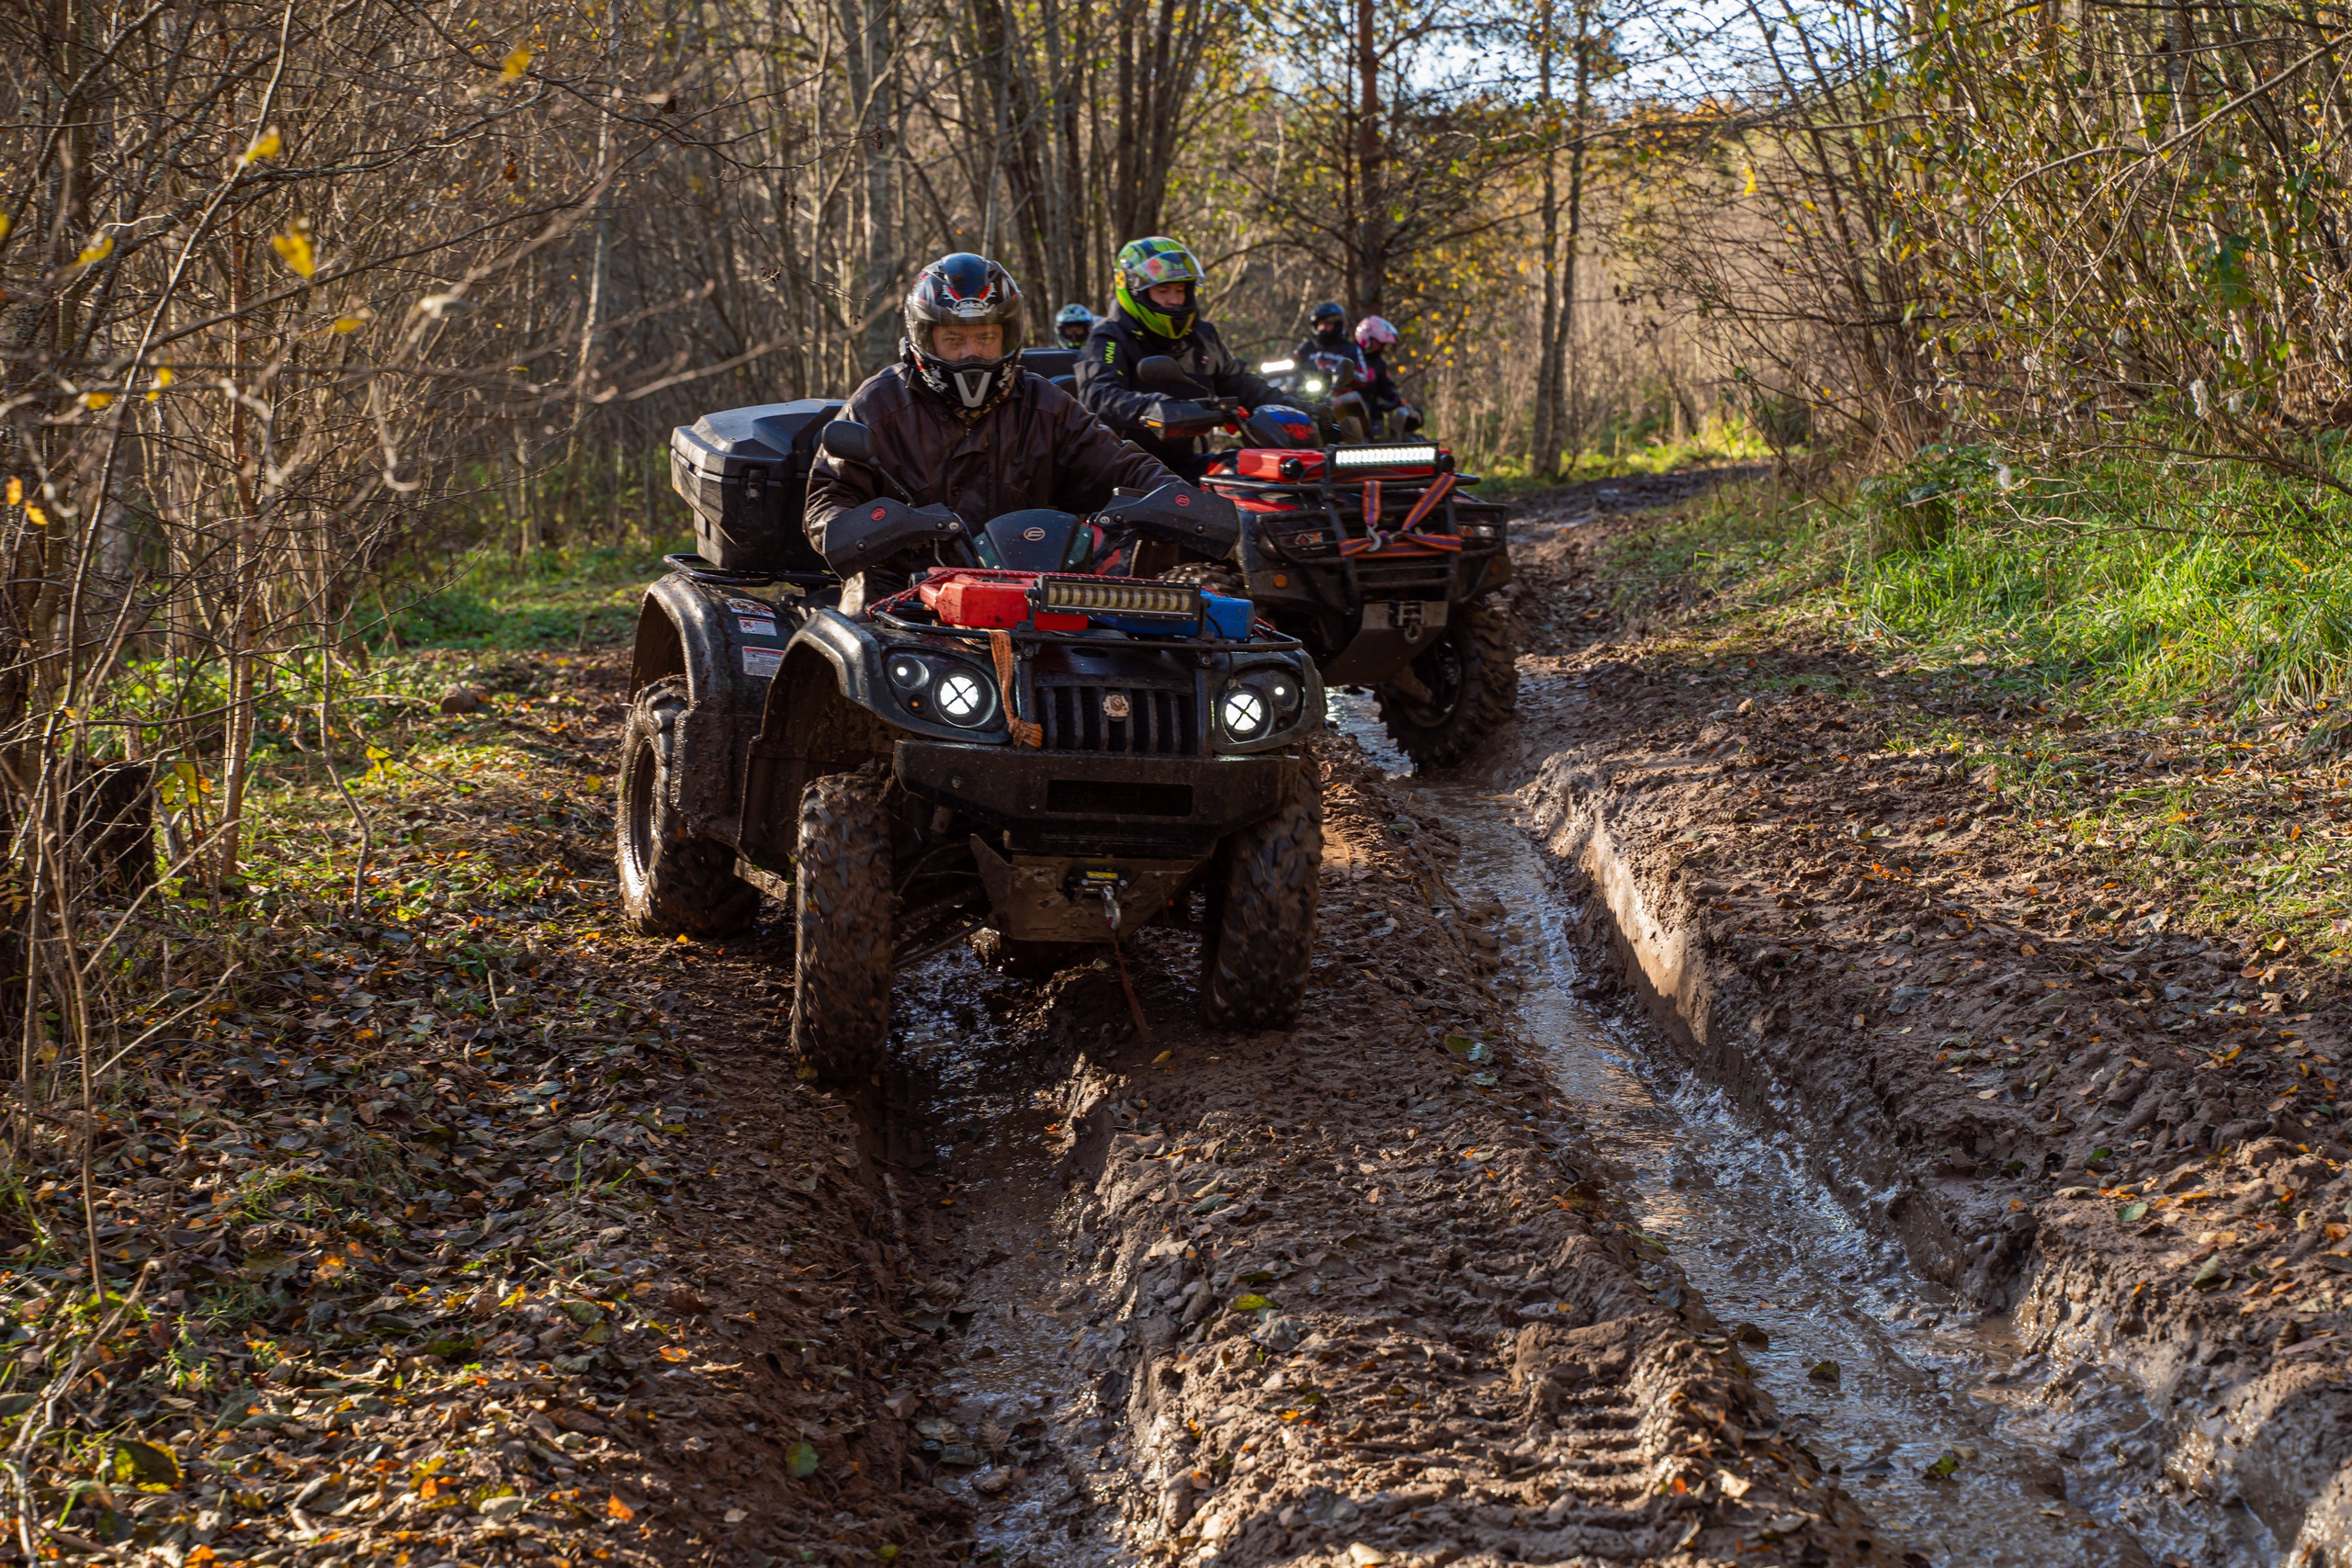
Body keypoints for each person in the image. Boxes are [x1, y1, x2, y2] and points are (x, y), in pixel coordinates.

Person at [805, 253, 1181, 612]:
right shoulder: (879, 404)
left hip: (1030, 593)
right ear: (925, 337)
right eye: (953, 340)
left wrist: (1184, 503)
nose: (971, 353)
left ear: (1007, 336)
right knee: (863, 642)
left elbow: (1124, 466)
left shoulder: (1046, 406)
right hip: (899, 591)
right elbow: (826, 501)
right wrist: (886, 525)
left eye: (985, 338)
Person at [1075, 236, 1284, 480]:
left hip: (1182, 466)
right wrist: (1155, 409)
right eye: (1163, 290)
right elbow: (1098, 396)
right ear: (1134, 291)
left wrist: (1292, 408)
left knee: (1247, 477)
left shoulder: (1201, 336)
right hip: (1123, 469)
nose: (1174, 300)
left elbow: (1242, 385)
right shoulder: (1109, 337)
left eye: (1180, 290)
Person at [1353, 315, 1418, 438]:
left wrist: (1397, 399)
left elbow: (1386, 389)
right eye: (1377, 342)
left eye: (1381, 344)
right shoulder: (1351, 354)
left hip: (1370, 412)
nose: (1379, 346)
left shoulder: (1379, 364)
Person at [1295, 300, 1363, 368]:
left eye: (1328, 324)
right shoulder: (1306, 347)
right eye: (1321, 324)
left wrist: (1336, 371)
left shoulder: (1351, 349)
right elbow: (1294, 364)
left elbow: (1362, 373)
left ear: (1337, 325)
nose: (1324, 327)